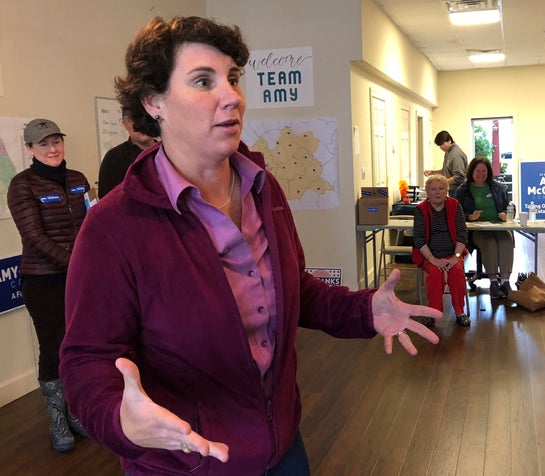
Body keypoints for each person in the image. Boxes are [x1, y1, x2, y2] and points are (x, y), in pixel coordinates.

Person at [58, 16, 442, 476]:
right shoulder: (113, 226)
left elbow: (295, 289)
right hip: (188, 462)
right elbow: (86, 360)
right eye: (204, 80)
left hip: (282, 447)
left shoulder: (264, 188)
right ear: (153, 101)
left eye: (234, 78)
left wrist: (365, 310)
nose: (232, 95)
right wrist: (119, 418)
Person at [6, 118, 89, 452]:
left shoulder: (79, 180)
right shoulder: (21, 186)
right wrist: (79, 264)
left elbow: (91, 224)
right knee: (54, 348)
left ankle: (76, 412)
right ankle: (58, 420)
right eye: (43, 144)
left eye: (56, 141)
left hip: (80, 279)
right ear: (30, 149)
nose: (53, 148)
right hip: (44, 281)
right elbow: (34, 238)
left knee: (79, 345)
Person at [412, 174, 470, 327]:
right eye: (433, 189)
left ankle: (459, 312)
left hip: (453, 254)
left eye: (441, 189)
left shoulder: (455, 206)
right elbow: (418, 239)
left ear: (447, 190)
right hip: (429, 256)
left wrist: (455, 257)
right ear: (427, 191)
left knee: (456, 272)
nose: (437, 192)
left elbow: (462, 234)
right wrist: (433, 260)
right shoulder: (420, 209)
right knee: (436, 274)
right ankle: (433, 312)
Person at [454, 156, 513, 299]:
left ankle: (505, 282)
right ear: (471, 172)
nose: (481, 174)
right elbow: (455, 211)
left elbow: (510, 206)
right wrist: (469, 216)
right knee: (490, 244)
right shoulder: (463, 190)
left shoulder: (497, 187)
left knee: (507, 241)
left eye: (484, 171)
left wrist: (506, 214)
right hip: (476, 230)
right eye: (478, 170)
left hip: (498, 226)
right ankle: (493, 283)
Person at [97, 108, 156, 198]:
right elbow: (106, 204)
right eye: (133, 119)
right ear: (124, 123)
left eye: (145, 117)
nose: (140, 125)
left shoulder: (171, 154)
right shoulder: (113, 158)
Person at [424, 130, 468, 197]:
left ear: (449, 141)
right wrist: (432, 172)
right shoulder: (448, 152)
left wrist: (442, 183)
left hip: (459, 191)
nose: (441, 147)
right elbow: (444, 171)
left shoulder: (456, 154)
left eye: (442, 144)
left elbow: (459, 176)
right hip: (452, 190)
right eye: (439, 145)